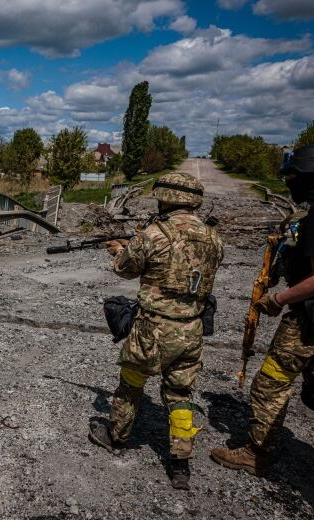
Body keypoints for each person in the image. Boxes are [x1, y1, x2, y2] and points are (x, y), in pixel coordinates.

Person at [210, 145, 314, 495]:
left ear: (309, 178)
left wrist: (277, 299)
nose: (290, 183)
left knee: (269, 384)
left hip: (310, 323)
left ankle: (255, 453)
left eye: (293, 177)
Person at [90, 172, 223, 490]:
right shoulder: (212, 237)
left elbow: (124, 270)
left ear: (165, 198)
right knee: (180, 394)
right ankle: (180, 463)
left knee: (132, 383)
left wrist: (120, 251)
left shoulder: (153, 234)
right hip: (192, 328)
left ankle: (116, 435)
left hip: (153, 328)